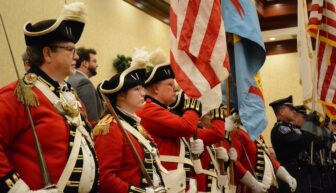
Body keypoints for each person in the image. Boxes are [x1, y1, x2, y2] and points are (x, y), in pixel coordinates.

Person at [0, 2, 99, 193]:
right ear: (47, 53)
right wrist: (19, 190)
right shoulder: (20, 94)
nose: (76, 57)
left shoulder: (71, 93)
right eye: (70, 50)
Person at [94, 49, 166, 193]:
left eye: (143, 88)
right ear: (121, 95)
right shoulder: (110, 127)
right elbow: (105, 178)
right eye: (137, 89)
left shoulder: (136, 126)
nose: (144, 93)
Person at [137, 48, 203, 193]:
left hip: (176, 182)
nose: (176, 89)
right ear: (155, 88)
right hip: (166, 183)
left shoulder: (161, 110)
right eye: (170, 85)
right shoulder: (148, 110)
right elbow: (187, 127)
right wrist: (192, 102)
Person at [269, 96, 314, 193]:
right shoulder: (281, 129)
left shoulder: (289, 128)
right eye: (290, 109)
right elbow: (302, 141)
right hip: (289, 175)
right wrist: (309, 124)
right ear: (281, 112)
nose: (294, 111)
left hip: (299, 174)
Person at [68, 47, 104, 125]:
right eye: (94, 61)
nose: (97, 65)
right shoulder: (84, 82)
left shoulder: (71, 78)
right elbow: (92, 118)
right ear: (85, 63)